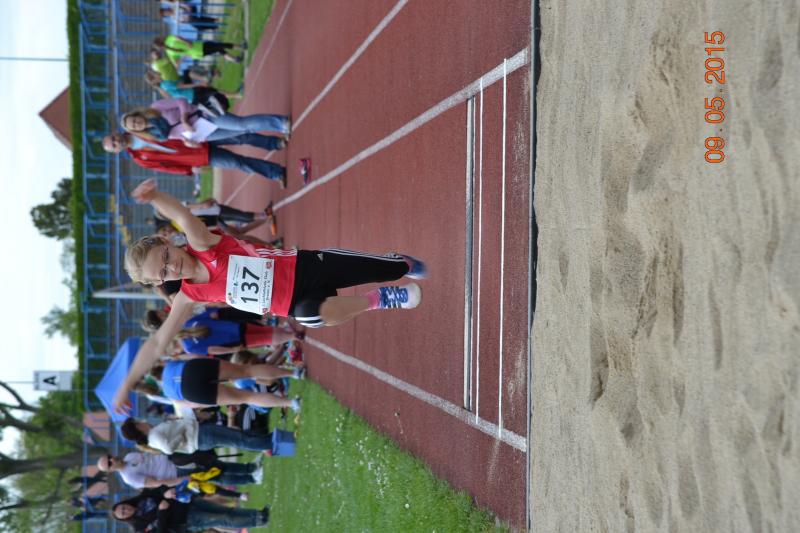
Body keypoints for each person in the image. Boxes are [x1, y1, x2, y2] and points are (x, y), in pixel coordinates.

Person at [112, 180, 426, 414]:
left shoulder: (202, 242)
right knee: (311, 315)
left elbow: (181, 214)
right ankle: (380, 299)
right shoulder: (187, 297)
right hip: (294, 303)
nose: (172, 266)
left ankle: (396, 265)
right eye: (164, 272)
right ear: (161, 282)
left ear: (167, 243)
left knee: (399, 268)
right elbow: (158, 342)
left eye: (166, 256)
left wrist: (155, 196)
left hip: (308, 268)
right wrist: (126, 385)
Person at [102, 132, 287, 187]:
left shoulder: (136, 127)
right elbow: (167, 167)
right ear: (117, 151)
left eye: (114, 138)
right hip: (197, 156)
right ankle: (276, 172)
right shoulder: (139, 158)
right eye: (114, 145)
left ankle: (274, 142)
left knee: (239, 137)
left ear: (116, 133)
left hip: (198, 136)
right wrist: (189, 170)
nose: (117, 142)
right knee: (238, 163)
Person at [120, 97, 290, 144]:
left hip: (205, 116)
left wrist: (184, 117)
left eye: (134, 120)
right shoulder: (154, 135)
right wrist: (188, 142)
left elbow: (181, 101)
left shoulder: (155, 107)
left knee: (241, 124)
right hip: (204, 134)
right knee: (242, 131)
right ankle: (278, 126)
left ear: (137, 115)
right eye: (134, 126)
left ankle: (281, 123)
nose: (136, 124)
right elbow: (178, 136)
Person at [112, 490, 268, 532]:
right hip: (188, 521)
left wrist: (166, 493)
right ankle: (259, 521)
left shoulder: (141, 498)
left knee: (226, 511)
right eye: (123, 513)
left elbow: (159, 491)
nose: (126, 510)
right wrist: (161, 512)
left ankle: (258, 514)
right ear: (125, 519)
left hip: (188, 503)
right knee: (224, 519)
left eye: (123, 507)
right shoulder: (139, 527)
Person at [96, 450, 262, 490]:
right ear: (110, 471)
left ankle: (251, 468)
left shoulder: (129, 456)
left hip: (175, 460)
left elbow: (155, 455)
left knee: (214, 464)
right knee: (215, 476)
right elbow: (156, 483)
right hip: (176, 473)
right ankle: (252, 478)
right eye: (109, 464)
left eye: (109, 457)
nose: (112, 460)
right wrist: (180, 481)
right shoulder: (128, 477)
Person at [121, 416, 277, 454]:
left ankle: (273, 440)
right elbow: (168, 449)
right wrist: (181, 433)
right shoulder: (154, 436)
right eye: (137, 422)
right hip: (200, 436)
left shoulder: (152, 438)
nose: (141, 421)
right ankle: (274, 442)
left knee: (241, 437)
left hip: (200, 436)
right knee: (241, 440)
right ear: (137, 427)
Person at [154, 35, 244, 65]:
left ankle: (234, 58)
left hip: (196, 54)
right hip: (198, 46)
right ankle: (239, 49)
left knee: (218, 48)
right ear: (161, 40)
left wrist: (183, 56)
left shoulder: (169, 53)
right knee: (219, 46)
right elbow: (179, 38)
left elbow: (176, 63)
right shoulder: (169, 38)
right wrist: (187, 42)